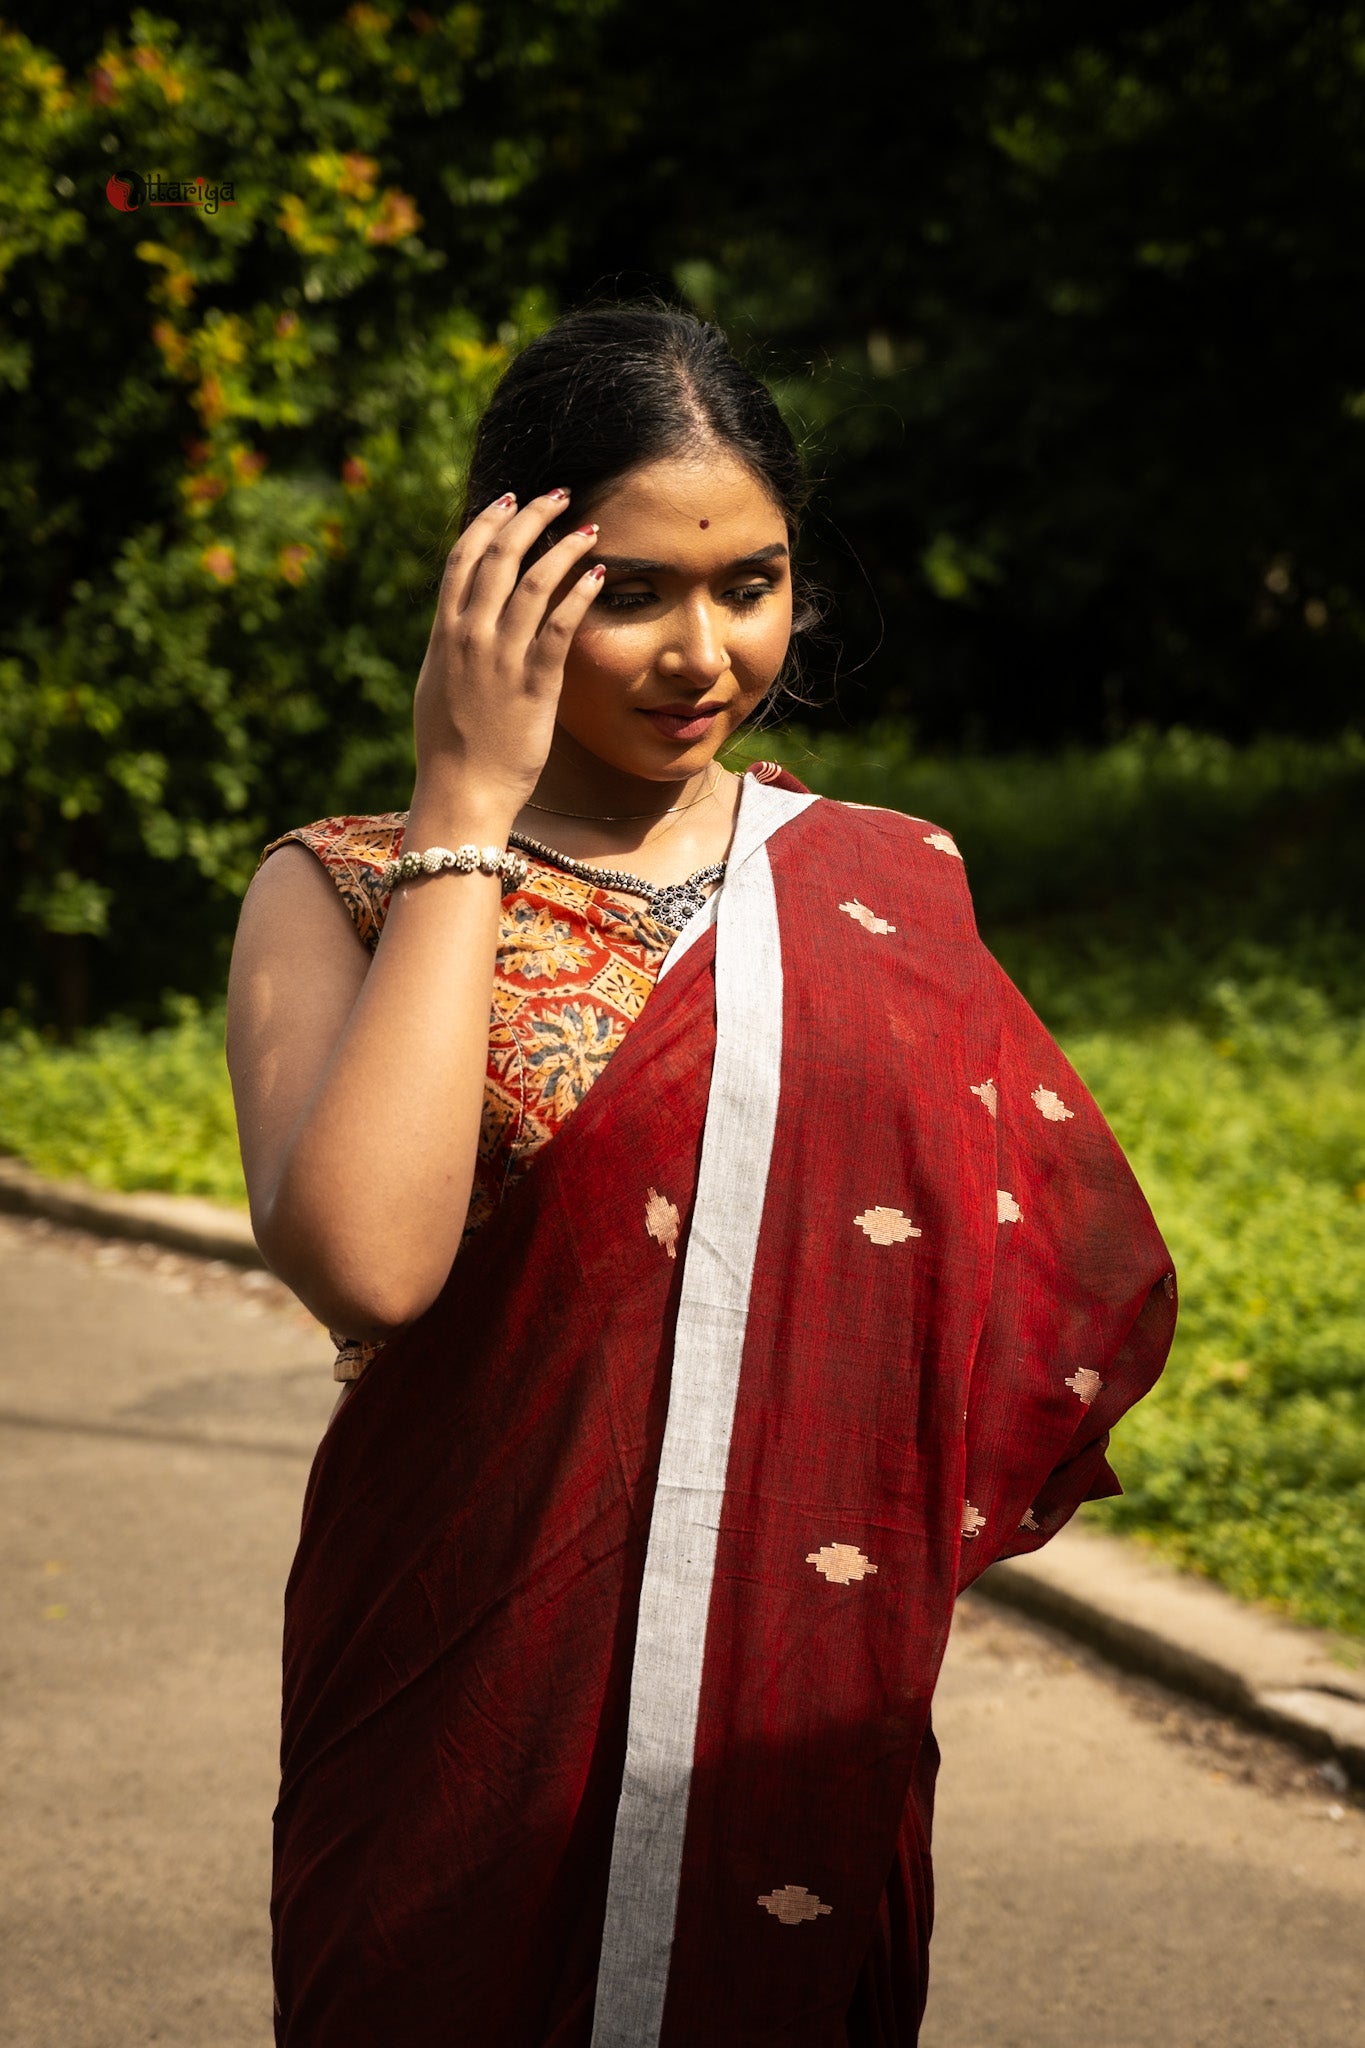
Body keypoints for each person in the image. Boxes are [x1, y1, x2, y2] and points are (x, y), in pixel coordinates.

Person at [226, 305, 1176, 2048]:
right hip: (457, 1683)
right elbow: (366, 1262)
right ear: (500, 583)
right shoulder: (347, 886)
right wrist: (465, 806)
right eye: (630, 591)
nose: (700, 653)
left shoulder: (886, 885)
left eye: (749, 582)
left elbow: (1015, 1299)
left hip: (790, 1702)